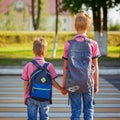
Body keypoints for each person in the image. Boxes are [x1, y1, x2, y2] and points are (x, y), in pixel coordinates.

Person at [62, 11, 101, 120]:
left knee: (75, 110)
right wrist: (96, 84)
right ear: (88, 26)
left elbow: (65, 67)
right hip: (88, 82)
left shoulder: (68, 44)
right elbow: (96, 66)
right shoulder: (93, 44)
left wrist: (64, 85)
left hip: (73, 83)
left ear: (75, 26)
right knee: (89, 109)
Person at [21, 38, 66, 120]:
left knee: (31, 118)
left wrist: (25, 96)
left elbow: (25, 83)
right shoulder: (49, 66)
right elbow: (53, 81)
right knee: (44, 117)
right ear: (45, 51)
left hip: (32, 96)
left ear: (33, 50)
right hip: (45, 97)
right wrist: (61, 89)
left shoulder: (28, 65)